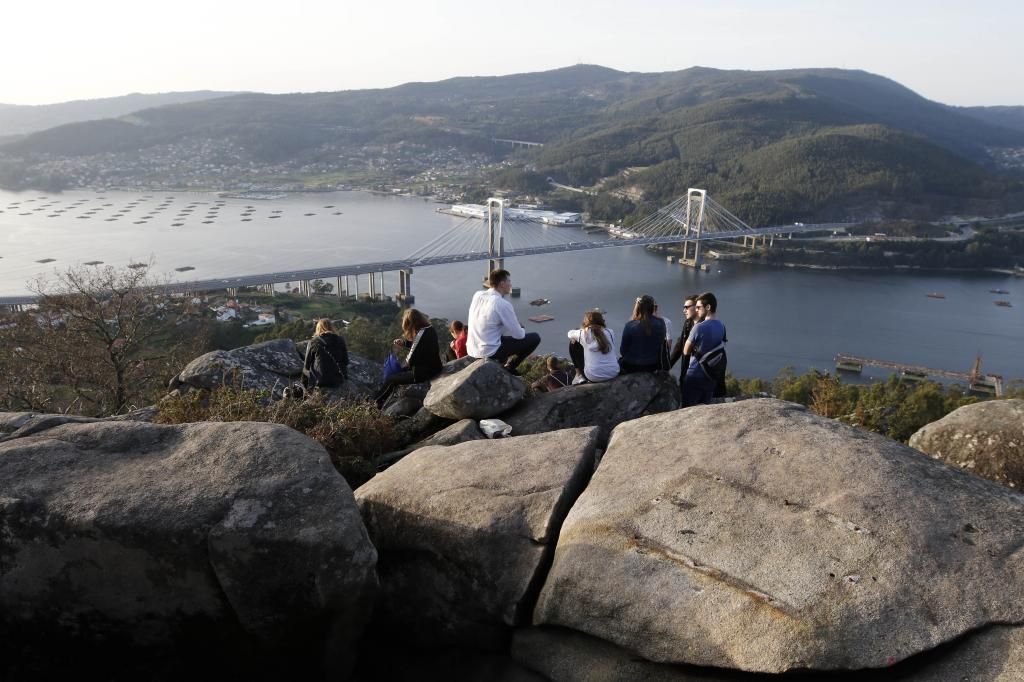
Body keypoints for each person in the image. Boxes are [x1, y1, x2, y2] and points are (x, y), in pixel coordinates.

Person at [467, 268, 540, 374]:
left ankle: (502, 363)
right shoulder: (502, 304)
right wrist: (521, 328)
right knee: (535, 338)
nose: (510, 284)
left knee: (501, 336)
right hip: (489, 351)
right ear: (502, 284)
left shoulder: (477, 295)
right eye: (509, 281)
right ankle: (510, 367)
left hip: (472, 349)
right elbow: (519, 335)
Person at [375, 308, 443, 407]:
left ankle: (375, 402)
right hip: (434, 367)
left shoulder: (421, 334)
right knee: (397, 375)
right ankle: (379, 401)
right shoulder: (429, 329)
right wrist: (405, 343)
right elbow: (419, 346)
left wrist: (401, 368)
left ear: (411, 323)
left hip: (424, 372)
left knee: (391, 379)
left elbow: (410, 359)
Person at [682, 292, 727, 407]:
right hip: (711, 376)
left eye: (698, 307)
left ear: (708, 307)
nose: (696, 310)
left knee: (687, 411)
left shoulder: (699, 327)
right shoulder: (721, 326)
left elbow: (686, 351)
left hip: (694, 376)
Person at [567, 310, 619, 384]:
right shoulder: (610, 332)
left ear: (586, 321)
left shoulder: (583, 333)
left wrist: (580, 330)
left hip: (594, 376)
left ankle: (579, 375)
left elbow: (569, 334)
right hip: (613, 372)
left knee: (573, 343)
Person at [619, 294, 667, 373]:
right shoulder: (661, 323)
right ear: (652, 308)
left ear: (638, 308)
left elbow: (623, 351)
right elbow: (661, 343)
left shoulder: (630, 325)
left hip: (632, 366)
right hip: (652, 365)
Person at [303, 318, 349, 389]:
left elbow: (307, 365)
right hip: (337, 380)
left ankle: (306, 391)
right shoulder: (341, 340)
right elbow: (346, 361)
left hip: (320, 380)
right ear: (332, 327)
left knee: (305, 369)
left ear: (318, 328)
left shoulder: (313, 342)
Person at [668, 293, 700, 390]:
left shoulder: (704, 327)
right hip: (686, 374)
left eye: (687, 307)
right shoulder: (688, 323)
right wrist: (666, 367)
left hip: (698, 375)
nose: (684, 310)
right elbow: (679, 346)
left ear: (697, 307)